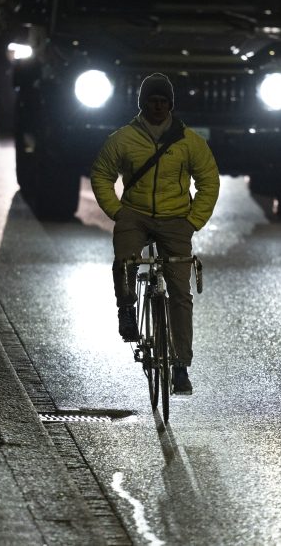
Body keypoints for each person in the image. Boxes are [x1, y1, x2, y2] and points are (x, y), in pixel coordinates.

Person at [90, 73, 220, 395]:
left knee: (180, 291)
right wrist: (118, 212)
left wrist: (192, 221)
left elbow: (208, 181)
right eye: (152, 101)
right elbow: (101, 175)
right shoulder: (122, 139)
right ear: (143, 104)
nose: (158, 107)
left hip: (176, 219)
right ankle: (126, 309)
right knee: (125, 261)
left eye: (163, 102)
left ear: (171, 105)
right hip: (135, 215)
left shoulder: (189, 141)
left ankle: (180, 367)